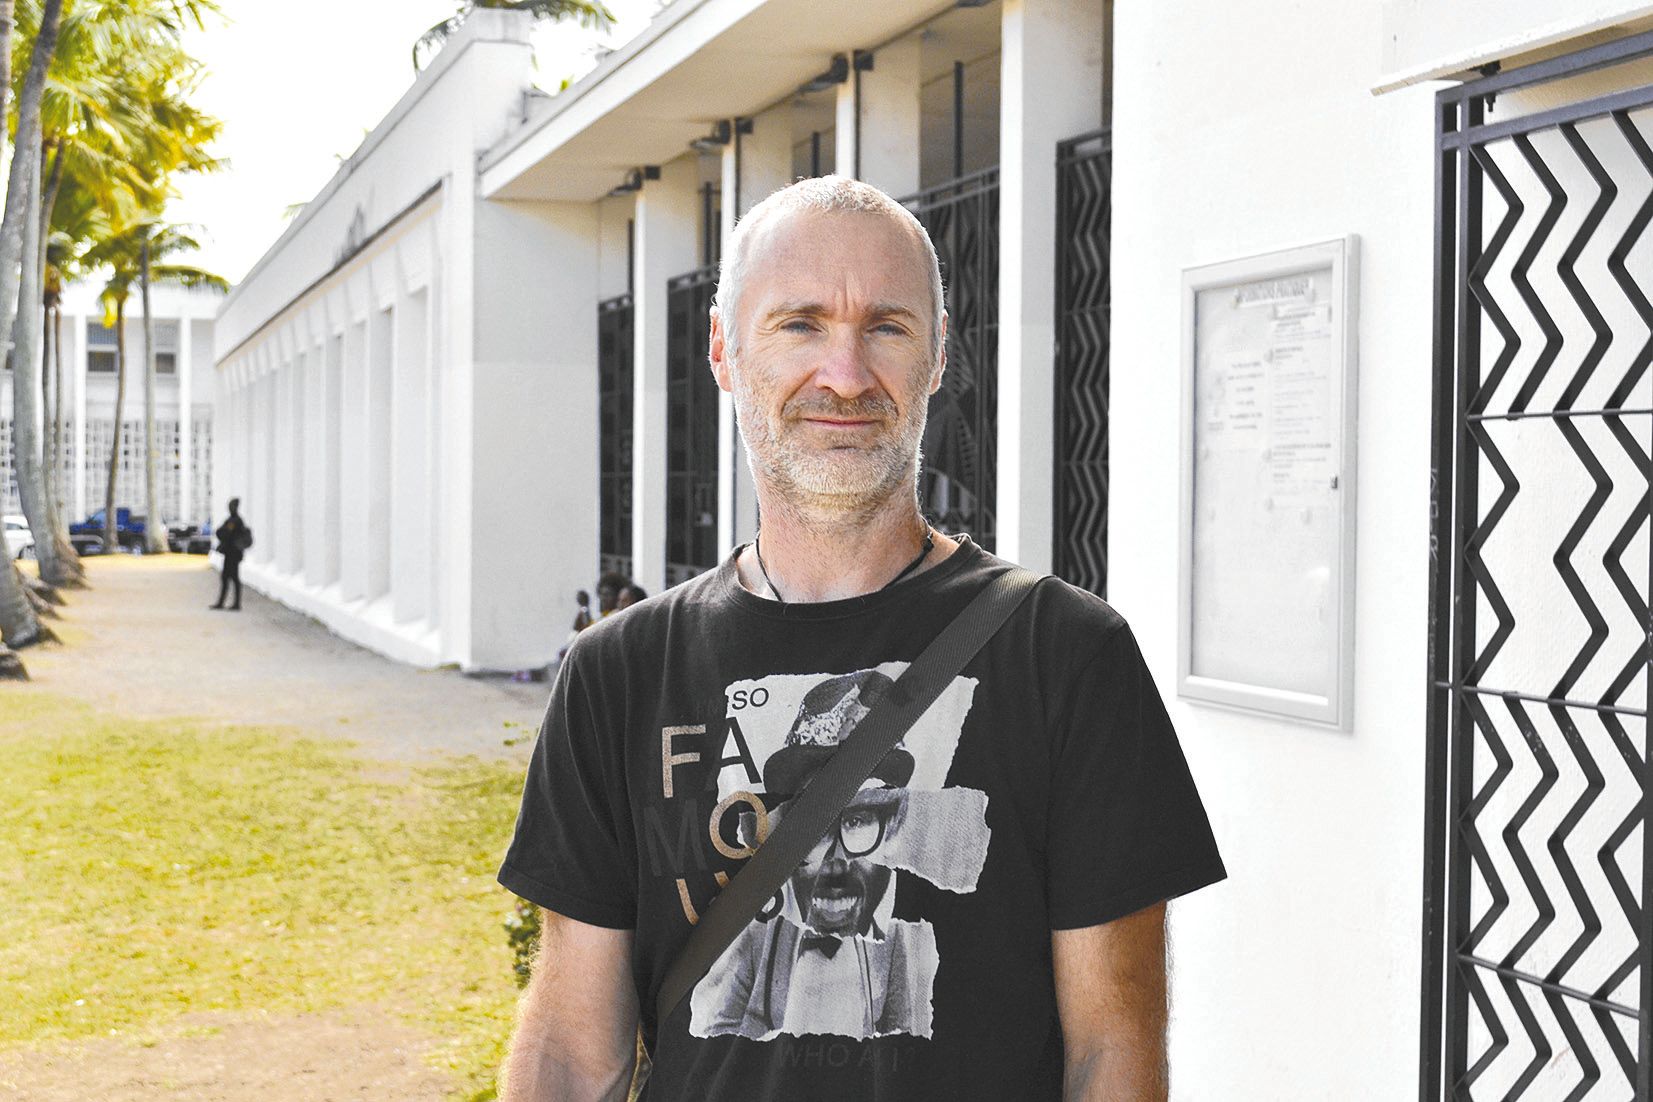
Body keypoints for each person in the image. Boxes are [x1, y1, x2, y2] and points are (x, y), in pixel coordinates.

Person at [498, 176, 1226, 1101]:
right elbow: (570, 1050)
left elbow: (1110, 1052)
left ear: (937, 355)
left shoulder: (1068, 656)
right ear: (723, 350)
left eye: (885, 327)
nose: (844, 375)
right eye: (799, 324)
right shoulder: (620, 672)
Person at [209, 497, 250, 611]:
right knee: (227, 577)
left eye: (231, 506)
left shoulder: (235, 521)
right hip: (230, 553)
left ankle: (234, 603)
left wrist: (223, 532)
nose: (230, 508)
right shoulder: (233, 520)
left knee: (232, 578)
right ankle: (224, 603)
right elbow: (221, 531)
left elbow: (225, 533)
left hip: (233, 553)